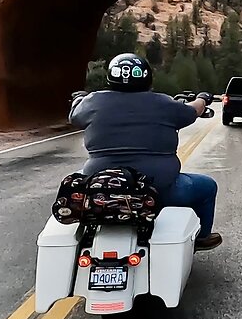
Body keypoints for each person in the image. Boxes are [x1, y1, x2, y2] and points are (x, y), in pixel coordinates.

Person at [69, 53, 222, 251]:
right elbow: (194, 110)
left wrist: (79, 98)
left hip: (103, 189)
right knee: (207, 187)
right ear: (148, 78)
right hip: (161, 190)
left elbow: (74, 115)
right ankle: (202, 238)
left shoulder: (93, 102)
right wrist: (202, 98)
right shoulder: (163, 103)